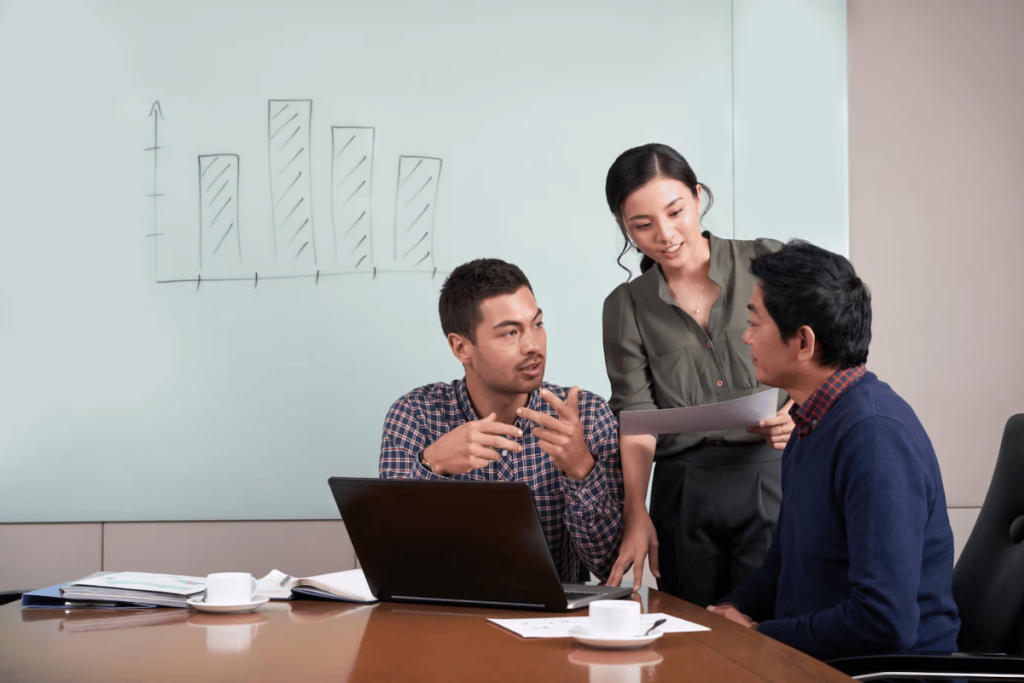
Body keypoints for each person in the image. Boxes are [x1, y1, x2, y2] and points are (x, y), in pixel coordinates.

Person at [708, 240, 960, 659]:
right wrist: (727, 612)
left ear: (803, 342)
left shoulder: (875, 437)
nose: (746, 338)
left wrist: (758, 636)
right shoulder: (811, 422)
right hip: (815, 660)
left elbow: (884, 621)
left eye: (755, 322)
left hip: (880, 671)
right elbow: (783, 565)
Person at [602, 143, 795, 605]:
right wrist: (636, 514)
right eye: (641, 225)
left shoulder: (768, 262)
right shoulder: (625, 306)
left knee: (775, 630)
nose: (664, 235)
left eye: (675, 212)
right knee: (691, 635)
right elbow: (637, 419)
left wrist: (798, 412)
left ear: (698, 196)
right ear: (623, 227)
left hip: (774, 473)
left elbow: (822, 354)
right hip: (683, 488)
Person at [379, 258, 624, 582]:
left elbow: (609, 565)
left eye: (537, 324)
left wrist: (581, 468)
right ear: (461, 347)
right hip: (443, 620)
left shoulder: (586, 415)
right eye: (510, 333)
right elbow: (393, 556)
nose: (533, 346)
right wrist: (431, 465)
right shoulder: (415, 415)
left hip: (549, 625)